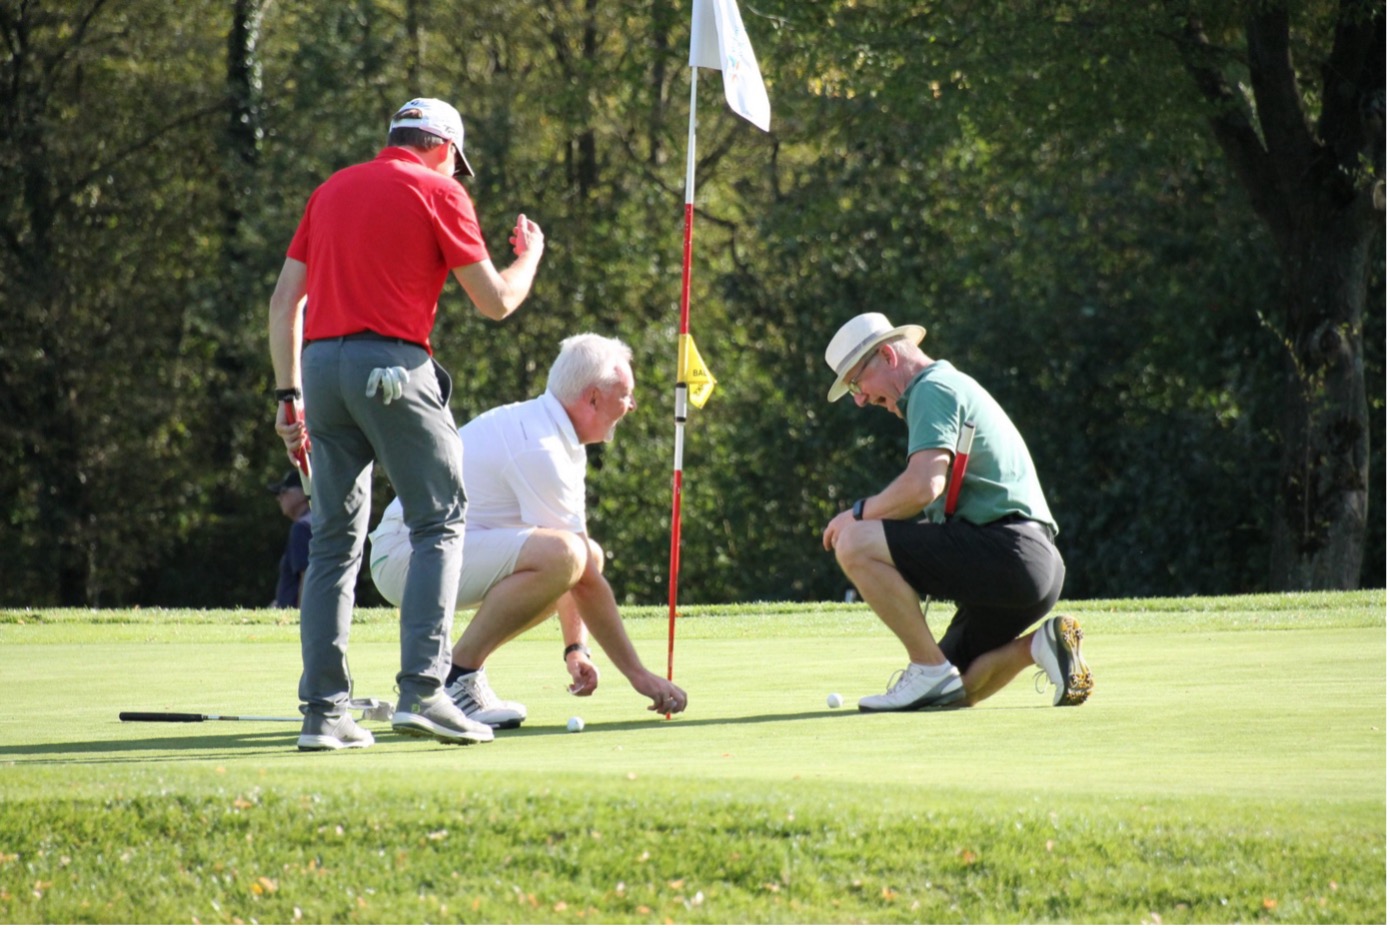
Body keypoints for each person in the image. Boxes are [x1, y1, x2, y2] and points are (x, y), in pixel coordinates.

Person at [268, 96, 546, 752]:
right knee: (439, 520)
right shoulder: (440, 191)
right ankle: (424, 692)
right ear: (443, 148)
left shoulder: (331, 190)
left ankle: (324, 714)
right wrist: (530, 255)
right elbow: (496, 302)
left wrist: (288, 395)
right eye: (456, 163)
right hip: (392, 367)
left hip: (320, 371)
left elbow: (284, 302)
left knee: (332, 541)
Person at [368, 334, 688, 726]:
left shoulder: (555, 434)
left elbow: (580, 564)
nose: (631, 405)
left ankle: (455, 675)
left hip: (427, 553)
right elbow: (581, 576)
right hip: (405, 557)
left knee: (584, 552)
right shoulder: (541, 447)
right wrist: (639, 675)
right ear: (592, 398)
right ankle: (457, 677)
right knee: (569, 555)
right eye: (625, 395)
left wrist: (576, 647)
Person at [819, 312, 1092, 712]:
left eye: (858, 383)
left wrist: (857, 514)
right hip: (1034, 567)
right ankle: (1042, 644)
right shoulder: (946, 386)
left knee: (854, 541)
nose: (860, 399)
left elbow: (923, 486)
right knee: (953, 689)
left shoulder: (930, 388)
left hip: (1010, 552)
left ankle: (926, 669)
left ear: (888, 356)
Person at [268, 469, 312, 608]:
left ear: (303, 494)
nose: (279, 498)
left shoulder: (301, 527)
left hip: (300, 613)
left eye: (284, 491)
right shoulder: (317, 522)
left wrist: (302, 615)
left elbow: (307, 575)